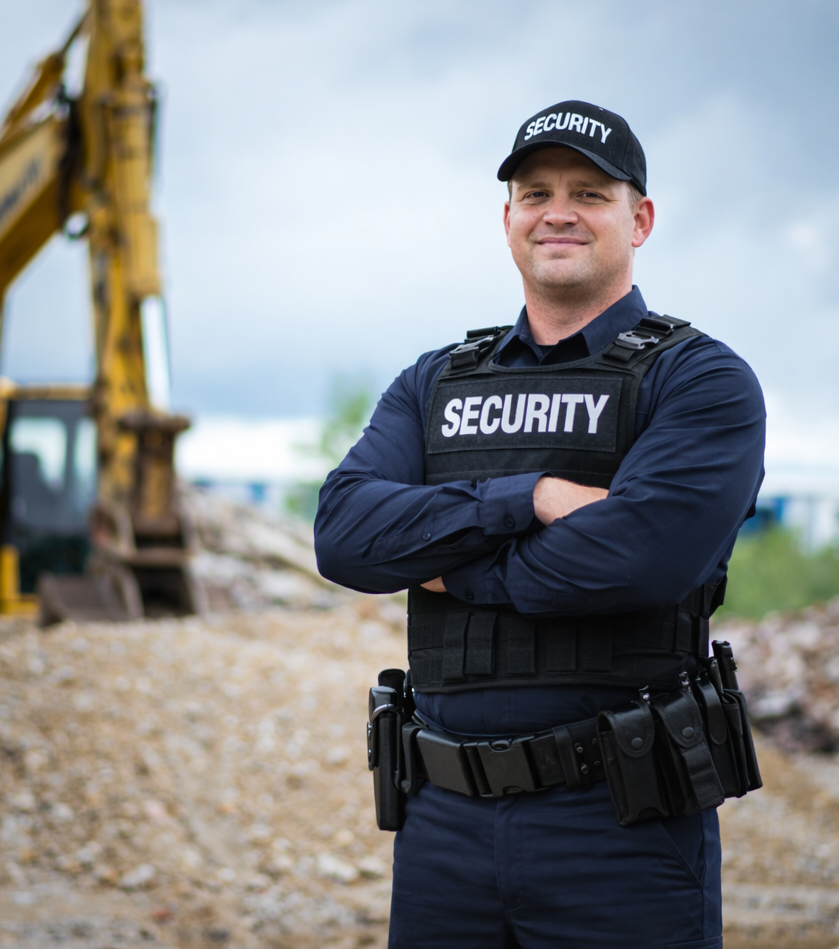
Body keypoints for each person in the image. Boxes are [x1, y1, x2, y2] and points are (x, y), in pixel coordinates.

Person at [314, 99, 765, 949]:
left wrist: (441, 564)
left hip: (619, 825)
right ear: (508, 220)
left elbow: (633, 561)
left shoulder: (700, 381)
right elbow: (343, 535)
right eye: (535, 193)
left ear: (640, 219)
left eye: (589, 194)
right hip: (441, 826)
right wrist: (530, 498)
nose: (558, 212)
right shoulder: (434, 384)